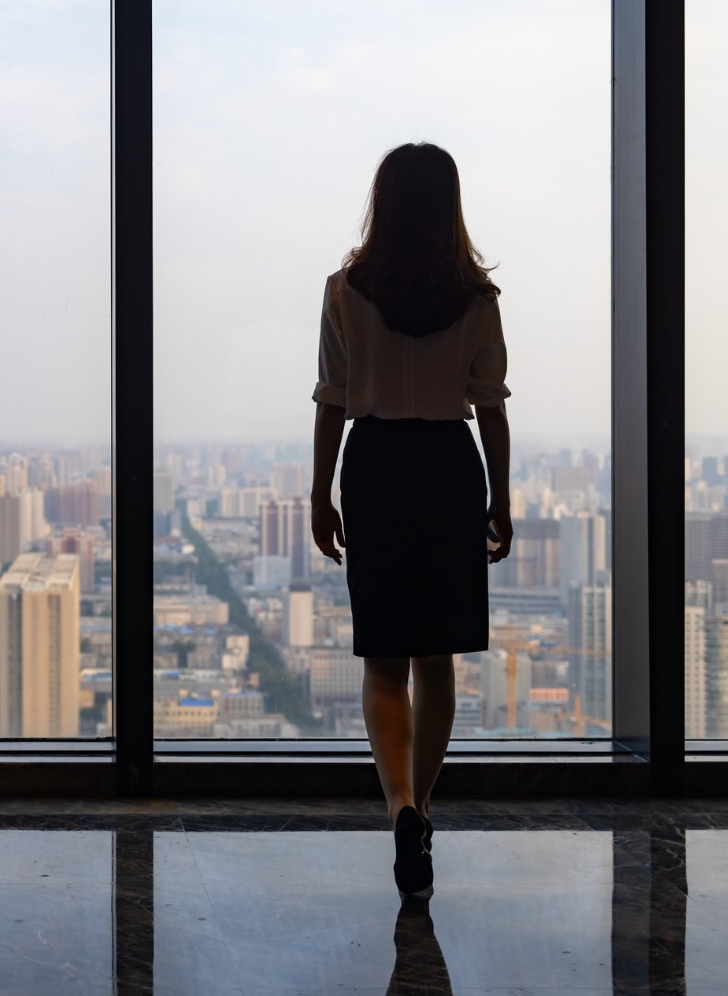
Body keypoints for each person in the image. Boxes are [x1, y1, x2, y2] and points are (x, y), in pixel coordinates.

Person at [309, 142, 513, 898]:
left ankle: (398, 807)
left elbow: (333, 398)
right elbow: (489, 407)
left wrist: (319, 492)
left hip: (377, 467)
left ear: (383, 203)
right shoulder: (478, 298)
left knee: (383, 661)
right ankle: (422, 809)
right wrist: (501, 497)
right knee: (438, 661)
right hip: (447, 469)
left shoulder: (343, 289)